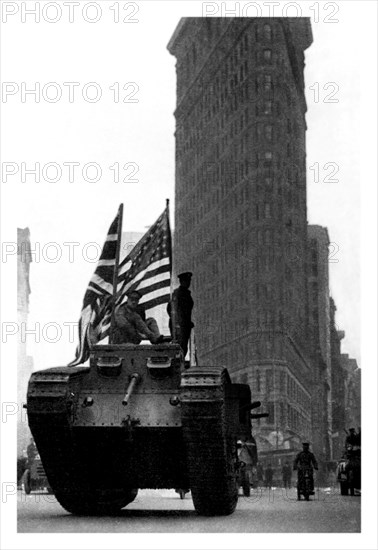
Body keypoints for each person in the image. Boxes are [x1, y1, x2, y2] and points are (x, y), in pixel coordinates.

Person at [167, 272, 194, 356]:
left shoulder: (185, 293)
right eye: (186, 281)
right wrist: (177, 322)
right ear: (181, 282)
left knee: (183, 347)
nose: (188, 283)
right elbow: (171, 308)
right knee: (180, 348)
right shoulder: (179, 294)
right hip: (179, 326)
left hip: (184, 325)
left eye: (188, 281)